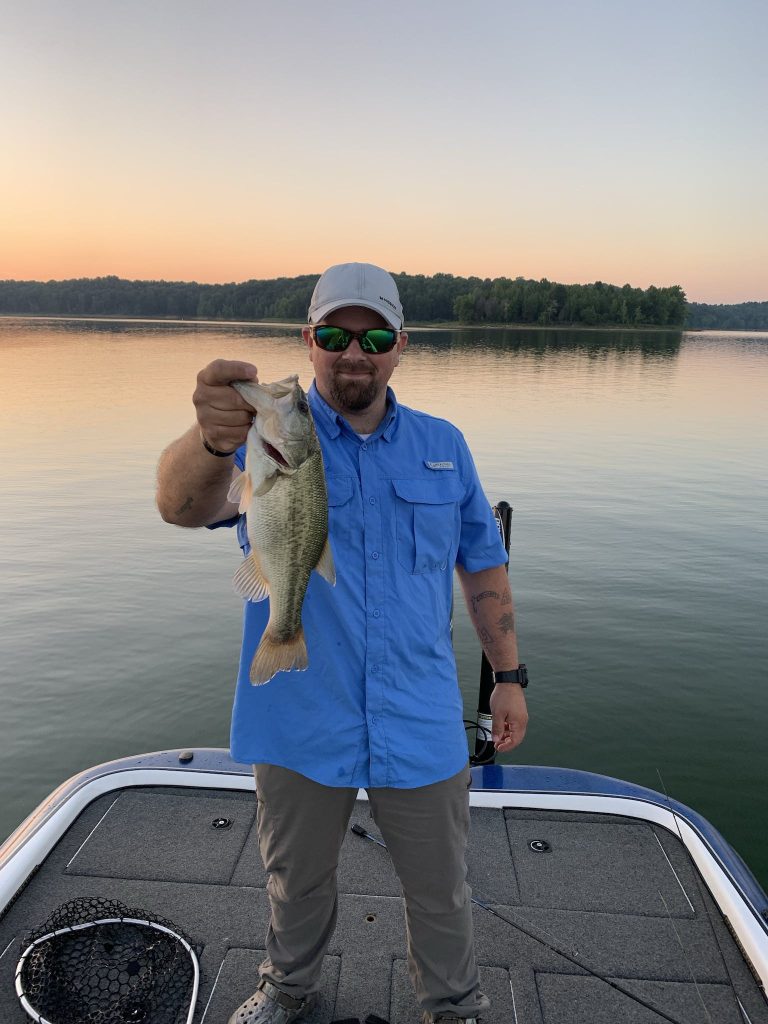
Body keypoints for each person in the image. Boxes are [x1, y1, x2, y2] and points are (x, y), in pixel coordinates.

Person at [156, 263, 528, 1024]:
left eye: (374, 336)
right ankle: (287, 989)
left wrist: (509, 674)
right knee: (295, 877)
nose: (353, 352)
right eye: (333, 334)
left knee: (440, 883)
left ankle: (454, 1008)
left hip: (420, 715)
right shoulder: (264, 434)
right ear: (309, 340)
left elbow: (483, 566)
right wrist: (205, 438)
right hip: (301, 708)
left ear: (399, 347)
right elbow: (179, 504)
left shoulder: (444, 444)